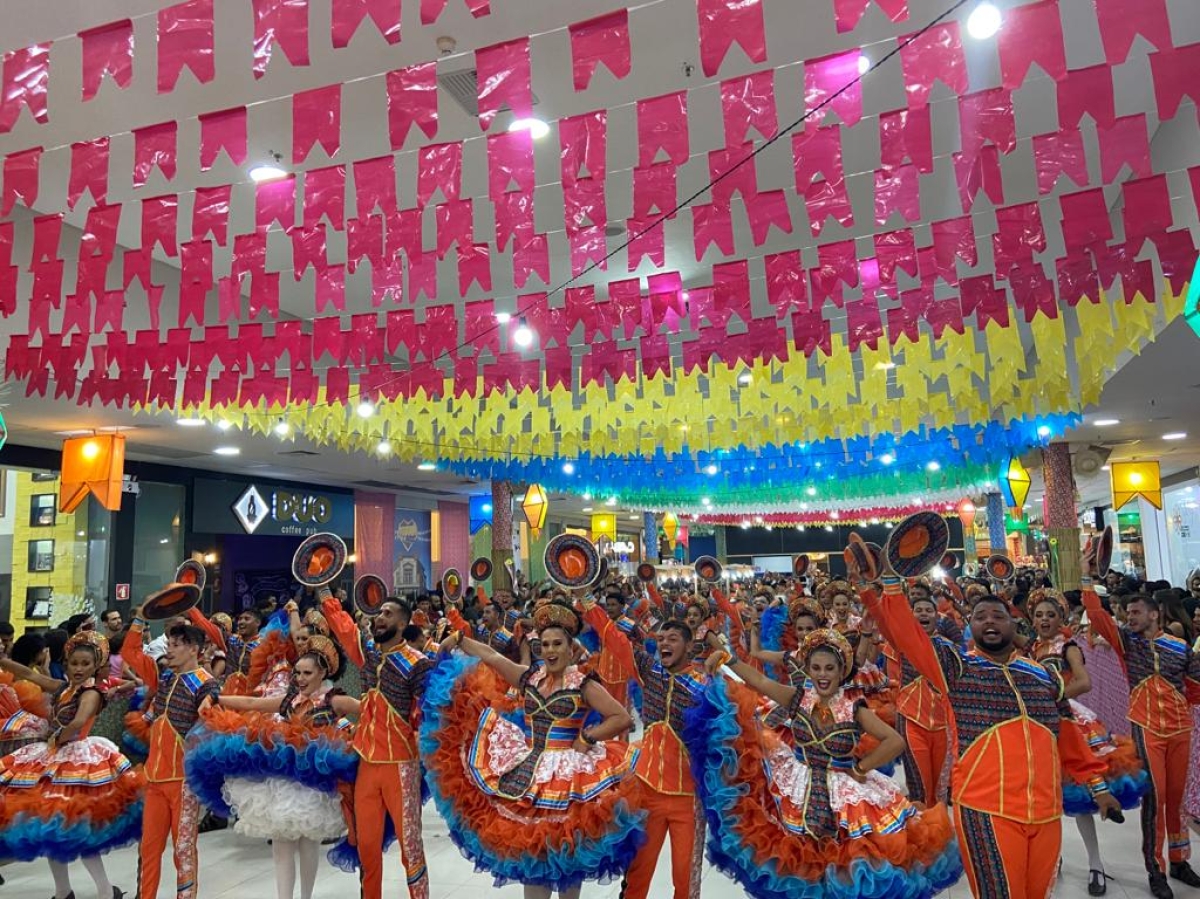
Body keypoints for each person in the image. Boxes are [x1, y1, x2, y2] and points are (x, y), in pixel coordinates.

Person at [866, 575, 1121, 899]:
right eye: (980, 616)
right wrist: (890, 586)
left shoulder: (1041, 674)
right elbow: (908, 637)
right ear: (969, 626)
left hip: (1045, 810)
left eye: (998, 616)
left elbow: (1068, 734)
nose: (989, 622)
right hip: (985, 810)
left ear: (1014, 624)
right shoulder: (957, 668)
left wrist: (1098, 789)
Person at [692, 627, 962, 899]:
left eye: (829, 668)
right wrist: (730, 659)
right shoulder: (798, 697)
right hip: (799, 783)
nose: (823, 674)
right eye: (817, 668)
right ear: (808, 670)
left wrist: (860, 767)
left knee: (847, 859)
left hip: (844, 792)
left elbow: (894, 740)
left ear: (841, 671)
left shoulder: (854, 707)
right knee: (802, 854)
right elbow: (761, 682)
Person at [428, 601, 640, 899]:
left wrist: (588, 737)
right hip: (526, 768)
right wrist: (461, 639)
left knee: (566, 858)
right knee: (533, 854)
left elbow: (622, 717)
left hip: (569, 776)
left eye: (557, 644)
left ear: (570, 648)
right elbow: (492, 656)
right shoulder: (530, 677)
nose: (550, 651)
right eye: (544, 645)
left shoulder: (583, 683)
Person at [186, 639, 359, 899]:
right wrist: (216, 697)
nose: (300, 679)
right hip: (282, 780)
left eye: (307, 673)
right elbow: (251, 704)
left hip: (316, 783)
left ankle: (305, 897)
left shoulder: (334, 700)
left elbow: (371, 710)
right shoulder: (289, 700)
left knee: (308, 843)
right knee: (282, 845)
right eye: (297, 673)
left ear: (323, 673)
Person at [1082, 570, 1200, 898]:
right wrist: (1088, 580)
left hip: (1181, 728)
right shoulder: (1126, 643)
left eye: (1136, 612)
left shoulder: (1179, 646)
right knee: (1157, 799)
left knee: (1176, 799)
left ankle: (1179, 860)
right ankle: (1156, 868)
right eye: (1127, 612)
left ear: (1154, 614)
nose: (1129, 617)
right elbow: (1096, 615)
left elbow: (1195, 686)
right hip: (1147, 728)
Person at [579, 601, 709, 899]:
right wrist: (589, 603)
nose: (664, 643)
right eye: (661, 639)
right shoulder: (651, 672)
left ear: (690, 648)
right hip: (646, 790)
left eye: (672, 639)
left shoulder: (705, 687)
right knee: (637, 873)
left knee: (685, 879)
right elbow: (617, 641)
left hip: (688, 799)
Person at [0, 631, 142, 899]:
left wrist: (56, 737)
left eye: (84, 664)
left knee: (79, 832)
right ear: (66, 662)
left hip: (80, 763)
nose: (78, 668)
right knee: (53, 831)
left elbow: (79, 722)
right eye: (74, 663)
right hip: (53, 760)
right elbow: (31, 675)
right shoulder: (64, 687)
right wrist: (4, 661)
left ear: (95, 666)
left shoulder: (92, 691)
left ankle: (105, 892)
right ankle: (63, 891)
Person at [1029, 588, 1148, 896]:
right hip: (1038, 727)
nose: (1044, 620)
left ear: (1061, 618)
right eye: (1039, 615)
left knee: (1081, 794)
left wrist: (1052, 697)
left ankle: (1096, 864)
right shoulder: (1032, 648)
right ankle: (1054, 858)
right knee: (1047, 797)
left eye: (1050, 615)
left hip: (1069, 722)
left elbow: (1084, 682)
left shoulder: (1068, 646)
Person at [320, 595, 431, 899]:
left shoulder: (418, 663)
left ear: (403, 623)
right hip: (367, 764)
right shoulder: (369, 654)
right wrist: (325, 594)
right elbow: (343, 629)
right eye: (379, 612)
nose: (379, 617)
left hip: (402, 766)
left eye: (388, 613)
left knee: (411, 847)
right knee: (367, 847)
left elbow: (428, 710)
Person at [124, 611, 221, 899]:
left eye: (176, 644)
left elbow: (213, 696)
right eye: (169, 643)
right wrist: (140, 618)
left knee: (183, 850)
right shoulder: (164, 676)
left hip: (184, 780)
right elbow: (130, 652)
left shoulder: (205, 682)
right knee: (149, 848)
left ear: (194, 649)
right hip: (154, 777)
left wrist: (209, 702)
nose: (169, 648)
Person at [884, 593, 952, 805]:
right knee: (919, 787)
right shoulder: (901, 643)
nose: (924, 613)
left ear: (936, 615)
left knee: (940, 788)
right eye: (918, 610)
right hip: (911, 719)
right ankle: (923, 833)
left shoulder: (949, 648)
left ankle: (939, 832)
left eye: (928, 610)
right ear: (911, 616)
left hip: (943, 724)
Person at [223, 608, 265, 695]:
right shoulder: (232, 640)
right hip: (228, 694)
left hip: (251, 698)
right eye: (240, 619)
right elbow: (213, 631)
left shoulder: (264, 646)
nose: (241, 622)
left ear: (258, 623)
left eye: (246, 619)